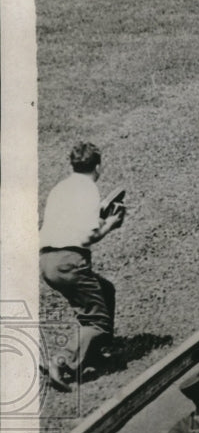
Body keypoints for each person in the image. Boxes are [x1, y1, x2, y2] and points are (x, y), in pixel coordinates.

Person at [39, 142, 126, 390]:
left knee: (105, 289)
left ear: (73, 164)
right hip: (69, 261)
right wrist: (110, 224)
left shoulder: (61, 188)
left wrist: (99, 214)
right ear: (97, 166)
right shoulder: (89, 190)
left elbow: (70, 222)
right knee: (97, 323)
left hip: (47, 261)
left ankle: (97, 352)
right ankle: (60, 361)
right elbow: (88, 237)